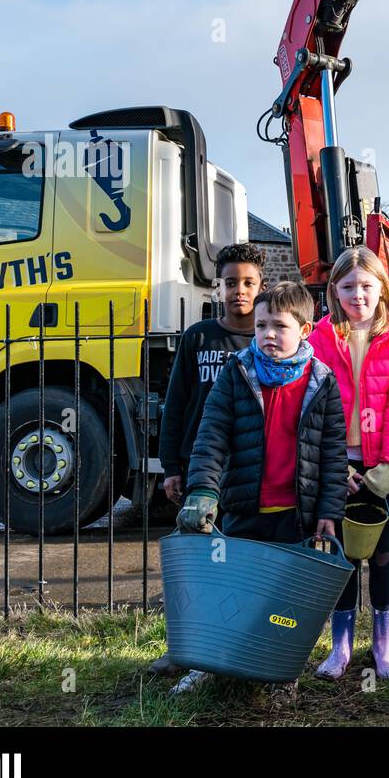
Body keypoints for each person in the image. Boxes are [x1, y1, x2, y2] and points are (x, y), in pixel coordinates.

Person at [173, 282, 348, 695]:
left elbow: (333, 455)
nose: (268, 334)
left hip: (295, 513)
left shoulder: (321, 383)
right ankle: (209, 663)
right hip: (242, 506)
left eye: (279, 326)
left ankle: (278, 670)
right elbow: (211, 434)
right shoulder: (236, 373)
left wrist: (329, 512)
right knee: (226, 589)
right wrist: (202, 490)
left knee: (282, 602)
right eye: (262, 324)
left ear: (305, 330)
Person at [151, 242, 266, 676]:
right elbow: (175, 404)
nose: (240, 290)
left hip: (248, 472)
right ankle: (186, 649)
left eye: (249, 283)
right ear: (218, 286)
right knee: (195, 569)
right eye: (232, 282)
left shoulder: (267, 337)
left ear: (261, 286)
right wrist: (172, 466)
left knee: (241, 565)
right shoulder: (197, 338)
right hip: (200, 472)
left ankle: (235, 648)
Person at [308, 246, 389, 680]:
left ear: (382, 290)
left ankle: (383, 645)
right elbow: (314, 408)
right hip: (338, 466)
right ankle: (340, 648)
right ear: (335, 290)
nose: (358, 294)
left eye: (367, 286)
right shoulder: (318, 338)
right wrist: (335, 465)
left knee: (384, 553)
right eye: (349, 286)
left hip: (383, 468)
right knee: (340, 554)